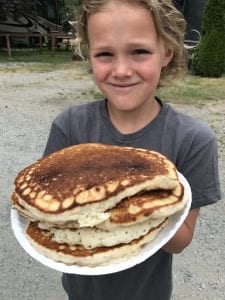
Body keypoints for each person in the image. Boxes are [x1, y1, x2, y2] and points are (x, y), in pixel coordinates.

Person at [43, 0, 221, 299]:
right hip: (79, 290)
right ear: (89, 56)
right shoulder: (70, 126)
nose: (121, 70)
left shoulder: (194, 140)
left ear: (167, 52)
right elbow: (48, 211)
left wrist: (136, 201)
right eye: (104, 54)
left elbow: (180, 241)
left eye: (139, 51)